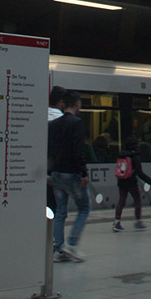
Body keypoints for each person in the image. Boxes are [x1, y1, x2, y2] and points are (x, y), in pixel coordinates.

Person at [48, 90, 90, 261]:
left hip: (56, 174)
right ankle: (72, 245)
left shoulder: (54, 124)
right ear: (78, 104)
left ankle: (59, 249)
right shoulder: (77, 123)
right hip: (71, 174)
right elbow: (78, 150)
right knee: (84, 207)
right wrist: (84, 173)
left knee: (60, 212)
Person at [112, 135, 151, 232]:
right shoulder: (136, 157)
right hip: (131, 182)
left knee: (121, 201)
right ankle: (138, 221)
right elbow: (140, 173)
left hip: (121, 181)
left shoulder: (121, 155)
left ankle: (117, 222)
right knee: (137, 200)